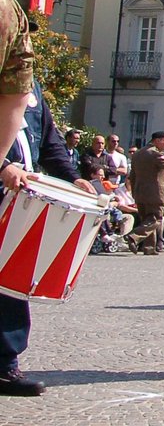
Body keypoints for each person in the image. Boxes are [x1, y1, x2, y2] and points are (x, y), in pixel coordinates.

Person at [2, 28, 88, 397]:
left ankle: (5, 363)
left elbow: (49, 140)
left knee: (10, 283)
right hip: (3, 181)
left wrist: (74, 179)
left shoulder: (32, 88)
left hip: (20, 195)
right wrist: (3, 165)